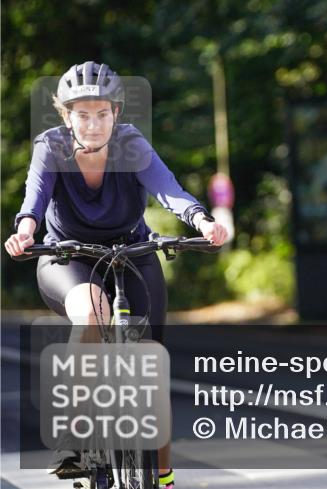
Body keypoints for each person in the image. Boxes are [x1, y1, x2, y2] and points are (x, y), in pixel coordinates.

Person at [4, 61, 228, 489]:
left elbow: (168, 189)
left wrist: (202, 222)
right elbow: (34, 197)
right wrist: (25, 232)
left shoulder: (131, 144)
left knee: (151, 369)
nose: (93, 124)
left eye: (102, 114)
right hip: (66, 256)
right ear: (66, 116)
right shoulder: (50, 146)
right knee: (92, 314)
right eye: (82, 115)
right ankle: (75, 436)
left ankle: (161, 474)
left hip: (132, 252)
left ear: (116, 114)